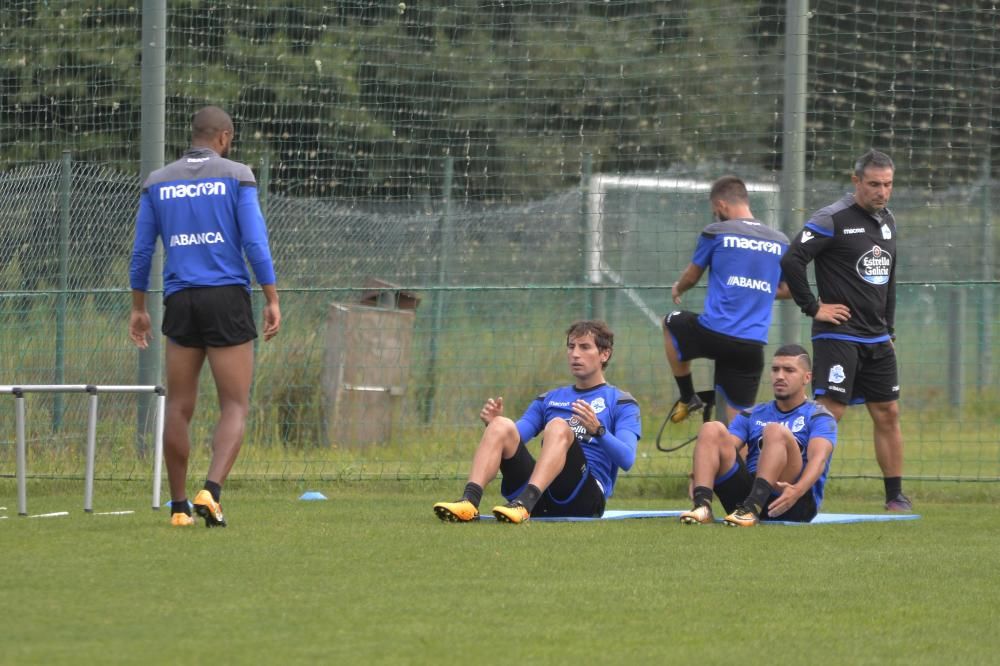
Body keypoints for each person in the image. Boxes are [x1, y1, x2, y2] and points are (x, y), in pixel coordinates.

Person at [128, 105, 281, 528]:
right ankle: (210, 492)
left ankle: (178, 508)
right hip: (226, 296)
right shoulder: (237, 175)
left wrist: (138, 307)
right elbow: (254, 241)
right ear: (224, 137)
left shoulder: (158, 181)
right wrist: (271, 297)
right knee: (234, 404)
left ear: (193, 136)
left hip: (180, 299)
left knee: (178, 405)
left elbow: (142, 251)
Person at [780, 149, 910, 512]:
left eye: (887, 185)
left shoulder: (888, 221)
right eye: (873, 184)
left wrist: (891, 331)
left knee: (888, 412)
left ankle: (894, 496)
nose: (881, 192)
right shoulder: (831, 218)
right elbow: (792, 259)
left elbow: (889, 280)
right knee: (828, 413)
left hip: (878, 337)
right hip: (838, 336)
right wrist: (813, 306)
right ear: (856, 182)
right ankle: (796, 491)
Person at [433, 320, 641, 524]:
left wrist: (599, 431)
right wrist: (493, 425)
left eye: (585, 347)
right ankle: (469, 502)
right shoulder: (548, 399)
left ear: (605, 354)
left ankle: (524, 504)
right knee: (501, 425)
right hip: (543, 496)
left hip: (584, 500)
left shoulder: (621, 402)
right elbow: (515, 436)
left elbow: (627, 459)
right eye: (571, 347)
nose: (575, 354)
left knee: (559, 425)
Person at [664, 175, 790, 424]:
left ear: (721, 205)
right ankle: (743, 463)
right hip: (752, 346)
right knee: (737, 430)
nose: (715, 215)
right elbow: (789, 290)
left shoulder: (716, 232)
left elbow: (692, 275)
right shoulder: (781, 241)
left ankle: (688, 397)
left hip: (715, 334)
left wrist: (679, 288)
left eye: (715, 210)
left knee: (671, 323)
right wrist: (757, 289)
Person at [678, 344, 837, 527]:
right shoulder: (752, 414)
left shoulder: (819, 416)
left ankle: (753, 508)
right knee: (711, 429)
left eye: (789, 370)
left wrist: (797, 490)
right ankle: (702, 507)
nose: (780, 376)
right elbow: (722, 447)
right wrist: (698, 476)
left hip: (792, 499)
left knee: (774, 430)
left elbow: (818, 460)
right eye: (775, 369)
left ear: (806, 377)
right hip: (744, 497)